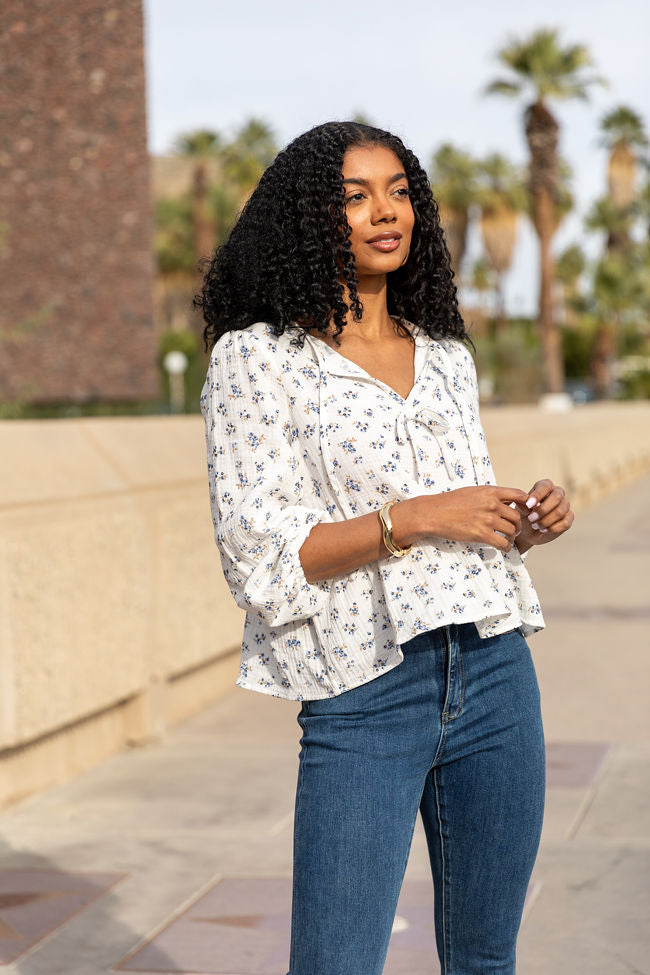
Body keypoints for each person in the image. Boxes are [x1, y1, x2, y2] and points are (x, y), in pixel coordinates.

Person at [196, 121, 574, 975]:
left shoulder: (444, 356)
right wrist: (417, 517)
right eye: (356, 196)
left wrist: (526, 518)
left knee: (485, 957)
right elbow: (259, 557)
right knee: (335, 962)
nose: (385, 211)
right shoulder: (258, 360)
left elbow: (465, 518)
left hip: (496, 672)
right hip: (362, 687)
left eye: (399, 190)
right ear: (307, 218)